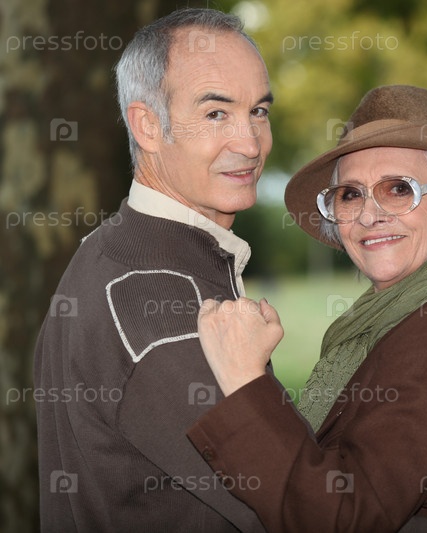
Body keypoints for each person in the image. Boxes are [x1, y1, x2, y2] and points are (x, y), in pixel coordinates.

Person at [187, 85, 427, 532]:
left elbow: (345, 518)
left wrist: (244, 381)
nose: (369, 216)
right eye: (350, 194)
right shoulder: (412, 314)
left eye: (398, 189)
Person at [34, 8, 272, 531]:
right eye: (216, 113)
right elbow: (290, 503)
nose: (251, 143)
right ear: (147, 125)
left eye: (258, 111)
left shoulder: (113, 249)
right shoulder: (152, 295)